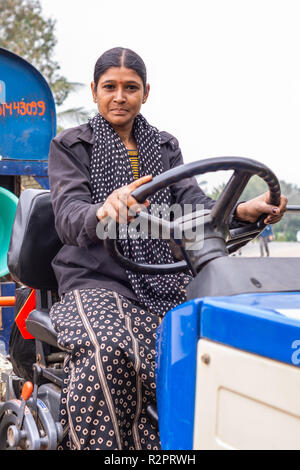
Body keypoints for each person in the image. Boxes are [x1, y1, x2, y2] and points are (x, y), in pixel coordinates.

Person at [48, 47, 287, 451]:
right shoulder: (72, 145)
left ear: (146, 93)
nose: (119, 96)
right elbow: (69, 216)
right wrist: (104, 209)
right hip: (95, 279)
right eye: (110, 87)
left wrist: (242, 210)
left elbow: (193, 207)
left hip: (164, 279)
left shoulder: (163, 146)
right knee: (107, 350)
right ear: (94, 91)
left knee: (212, 337)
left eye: (131, 87)